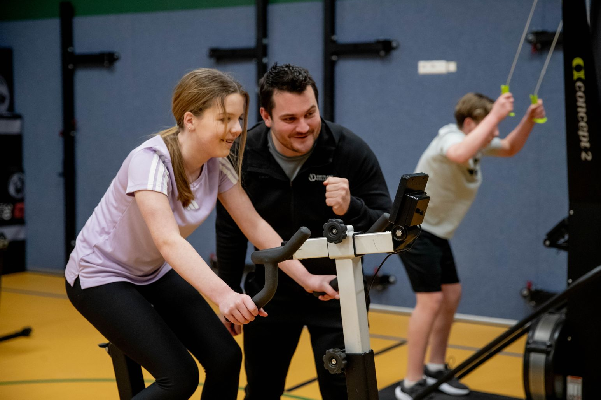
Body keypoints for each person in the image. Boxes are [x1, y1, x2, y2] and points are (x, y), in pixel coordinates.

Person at [65, 68, 325, 400]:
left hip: (151, 272)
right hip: (100, 275)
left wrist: (308, 279)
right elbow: (168, 241)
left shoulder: (217, 164)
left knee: (226, 359)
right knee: (179, 377)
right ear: (190, 120)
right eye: (225, 119)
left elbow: (255, 226)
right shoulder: (150, 162)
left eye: (239, 118)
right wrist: (225, 296)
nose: (237, 129)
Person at [215, 63, 392, 400]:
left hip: (337, 291)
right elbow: (230, 229)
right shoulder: (242, 154)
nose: (304, 127)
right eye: (290, 118)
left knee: (344, 391)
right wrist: (229, 293)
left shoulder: (348, 149)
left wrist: (351, 207)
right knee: (262, 390)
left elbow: (387, 226)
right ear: (266, 116)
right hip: (270, 292)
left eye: (310, 113)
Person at [395, 92, 546, 400]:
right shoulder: (450, 138)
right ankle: (411, 382)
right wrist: (497, 114)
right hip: (413, 229)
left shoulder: (476, 141)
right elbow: (458, 154)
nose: (496, 131)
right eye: (491, 124)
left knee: (451, 295)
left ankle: (435, 367)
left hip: (437, 233)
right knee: (431, 301)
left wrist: (529, 120)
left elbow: (510, 147)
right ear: (469, 123)